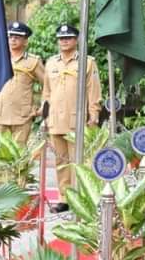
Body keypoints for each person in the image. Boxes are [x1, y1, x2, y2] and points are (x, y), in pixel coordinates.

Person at [42, 23, 101, 212]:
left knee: (79, 161)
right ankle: (64, 198)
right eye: (61, 38)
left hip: (77, 119)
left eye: (68, 38)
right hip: (55, 120)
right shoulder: (51, 62)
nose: (64, 41)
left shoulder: (87, 61)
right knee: (61, 161)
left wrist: (94, 114)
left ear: (76, 40)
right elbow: (46, 92)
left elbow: (93, 91)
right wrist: (44, 116)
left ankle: (81, 198)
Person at [0, 21, 48, 146]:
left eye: (17, 37)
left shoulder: (33, 62)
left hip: (22, 117)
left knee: (19, 156)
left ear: (25, 41)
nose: (13, 40)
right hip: (0, 115)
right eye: (11, 37)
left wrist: (43, 104)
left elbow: (47, 84)